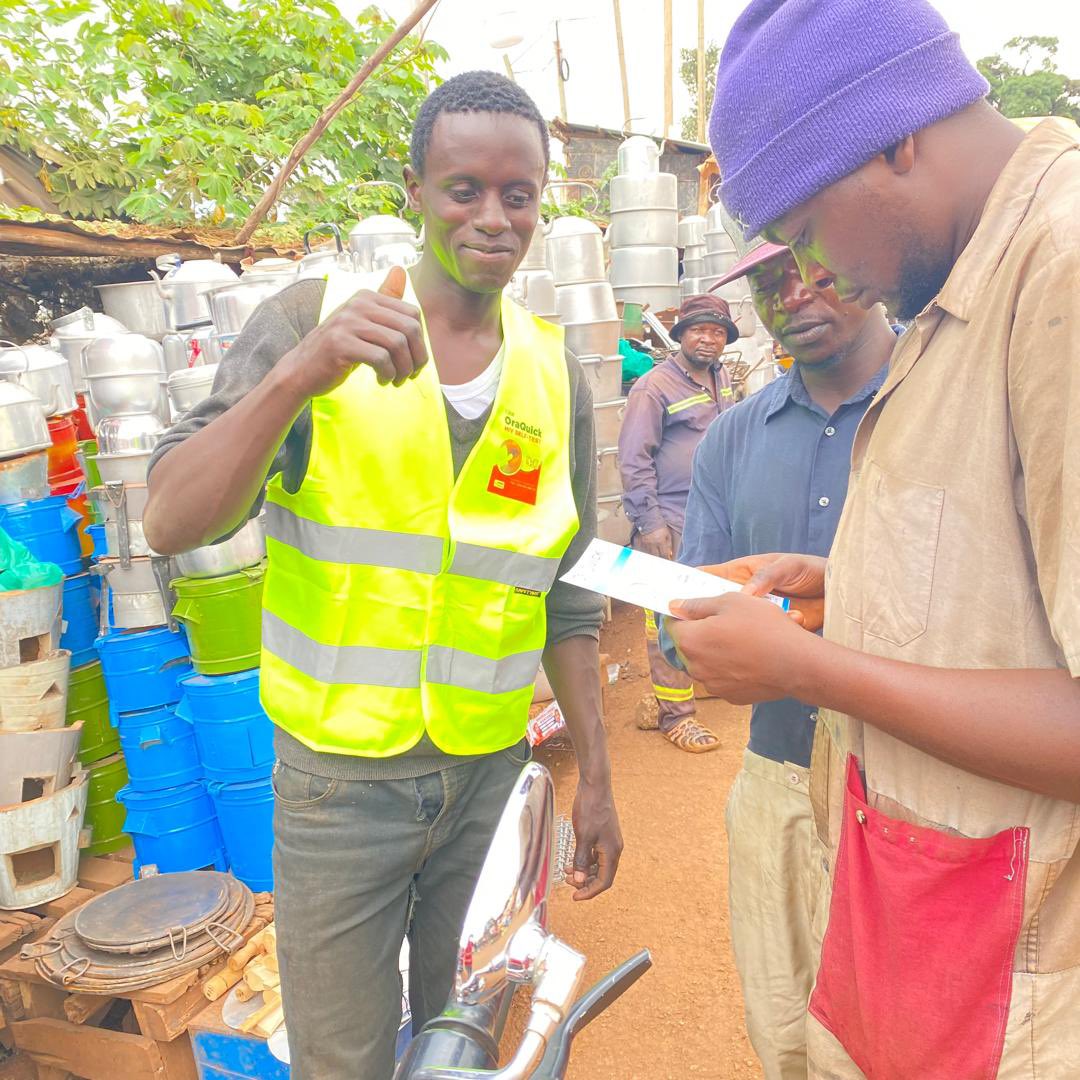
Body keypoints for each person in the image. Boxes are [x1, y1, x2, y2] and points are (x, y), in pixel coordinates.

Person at [143, 71, 622, 1080]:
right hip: (338, 792)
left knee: (465, 1048)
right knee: (345, 1061)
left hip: (487, 784)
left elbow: (568, 596)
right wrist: (296, 376)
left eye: (519, 194)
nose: (493, 218)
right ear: (415, 189)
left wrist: (599, 785)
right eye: (463, 190)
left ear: (542, 201)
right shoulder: (309, 322)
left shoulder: (549, 372)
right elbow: (174, 517)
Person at [669, 2, 1080, 1077]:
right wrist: (843, 584)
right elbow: (1011, 597)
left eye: (807, 230)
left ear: (896, 133)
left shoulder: (1065, 272)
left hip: (1024, 980)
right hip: (937, 926)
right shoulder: (966, 286)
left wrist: (817, 668)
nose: (817, 276)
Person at [673, 241, 897, 1078]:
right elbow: (684, 619)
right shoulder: (732, 438)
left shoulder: (940, 407)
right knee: (783, 1022)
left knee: (892, 1038)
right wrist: (706, 639)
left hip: (912, 786)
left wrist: (814, 626)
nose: (796, 294)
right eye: (770, 280)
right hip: (775, 777)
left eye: (819, 265)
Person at [618, 294, 739, 752]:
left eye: (717, 332)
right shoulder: (653, 387)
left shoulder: (722, 377)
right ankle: (675, 715)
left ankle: (705, 682)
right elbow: (632, 460)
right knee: (665, 614)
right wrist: (649, 524)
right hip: (670, 516)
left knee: (715, 603)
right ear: (681, 335)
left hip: (716, 513)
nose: (709, 338)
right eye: (699, 330)